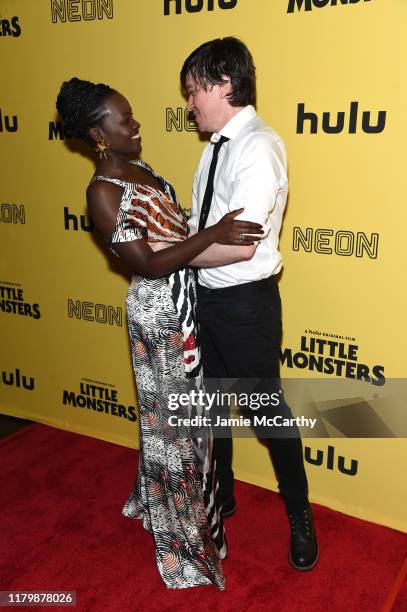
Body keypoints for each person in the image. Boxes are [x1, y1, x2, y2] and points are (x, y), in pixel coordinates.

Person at [56, 77, 263, 590]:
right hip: (159, 317)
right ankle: (184, 546)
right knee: (175, 433)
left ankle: (185, 513)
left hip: (187, 303)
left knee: (188, 427)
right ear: (98, 135)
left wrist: (209, 230)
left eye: (131, 115)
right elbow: (147, 264)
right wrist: (212, 234)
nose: (135, 124)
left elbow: (169, 229)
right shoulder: (103, 193)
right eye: (123, 121)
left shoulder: (140, 168)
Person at [180, 37, 319, 571]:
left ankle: (300, 515)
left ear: (224, 85)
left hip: (245, 306)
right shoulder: (213, 147)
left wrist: (174, 257)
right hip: (208, 300)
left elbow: (240, 244)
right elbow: (204, 228)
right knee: (212, 407)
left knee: (268, 416)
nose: (189, 103)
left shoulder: (258, 145)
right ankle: (225, 495)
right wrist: (186, 250)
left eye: (194, 91)